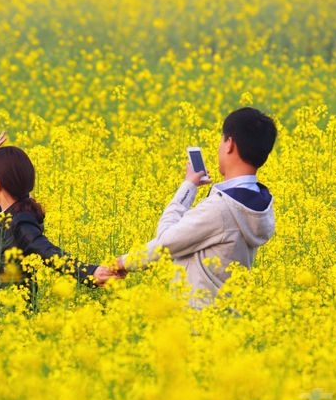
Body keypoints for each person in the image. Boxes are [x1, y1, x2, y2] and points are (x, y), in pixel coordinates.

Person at [115, 107, 277, 306]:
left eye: (221, 139)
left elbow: (165, 242)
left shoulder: (222, 208)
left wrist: (188, 185)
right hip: (229, 320)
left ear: (230, 144)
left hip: (199, 322)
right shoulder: (256, 204)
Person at [0, 132, 119, 303]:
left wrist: (90, 272)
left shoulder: (21, 223)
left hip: (9, 317)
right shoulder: (3, 215)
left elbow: (49, 253)